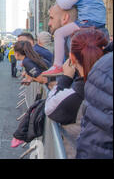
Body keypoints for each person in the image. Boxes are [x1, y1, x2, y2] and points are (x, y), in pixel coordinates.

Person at [45, 29, 108, 158]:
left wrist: (66, 78)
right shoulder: (107, 83)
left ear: (72, 58)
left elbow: (50, 107)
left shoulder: (75, 95)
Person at [43, 0, 106, 76]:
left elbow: (65, 5)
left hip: (87, 21)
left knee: (59, 33)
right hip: (97, 22)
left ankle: (57, 66)